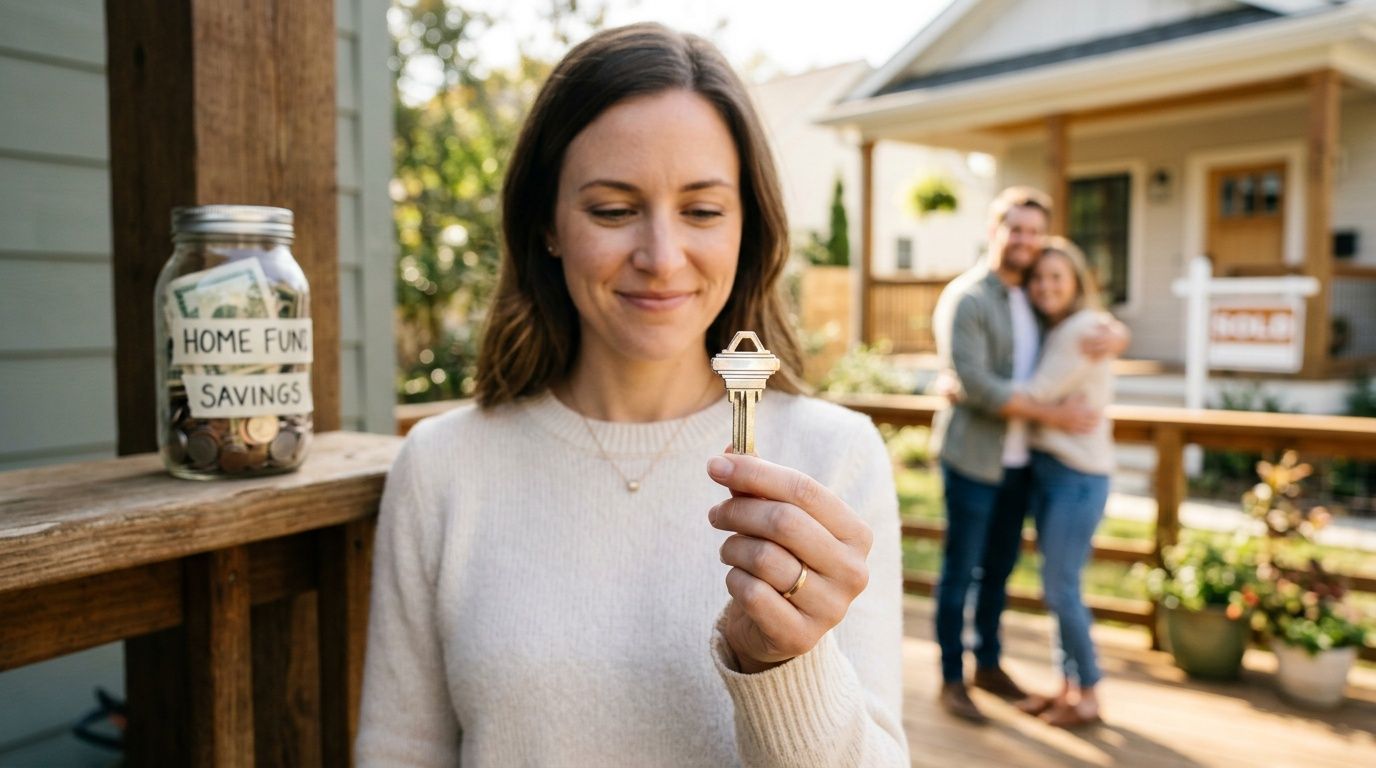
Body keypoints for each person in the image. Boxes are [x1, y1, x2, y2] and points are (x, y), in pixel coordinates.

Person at [355, 23, 908, 766]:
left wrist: (783, 663)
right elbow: (400, 751)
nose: (661, 257)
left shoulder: (834, 459)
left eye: (703, 210)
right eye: (613, 210)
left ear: (750, 225)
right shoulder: (442, 466)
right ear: (547, 224)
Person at [928, 187, 1126, 724]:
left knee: (998, 572)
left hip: (1024, 466)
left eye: (1034, 232)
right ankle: (951, 679)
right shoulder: (967, 297)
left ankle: (988, 666)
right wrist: (1053, 416)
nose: (1026, 240)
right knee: (959, 571)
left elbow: (1081, 327)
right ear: (995, 231)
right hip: (974, 458)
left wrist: (1117, 333)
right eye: (1016, 229)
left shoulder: (1039, 299)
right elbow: (978, 384)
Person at [1012, 237, 1115, 728]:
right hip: (1054, 472)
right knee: (1057, 587)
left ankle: (1090, 690)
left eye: (1057, 277)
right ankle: (1068, 689)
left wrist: (963, 386)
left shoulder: (1081, 329)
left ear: (1076, 282)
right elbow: (1043, 404)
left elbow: (1032, 394)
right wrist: (1051, 416)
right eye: (1038, 278)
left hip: (1077, 477)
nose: (1045, 286)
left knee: (1061, 588)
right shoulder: (1064, 329)